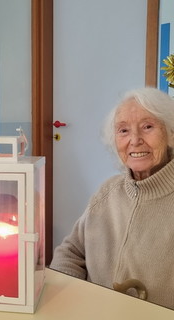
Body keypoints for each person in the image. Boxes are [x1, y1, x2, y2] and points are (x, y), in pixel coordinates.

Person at [50, 87, 174, 309]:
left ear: (171, 133)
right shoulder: (108, 192)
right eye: (123, 130)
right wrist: (65, 299)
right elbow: (71, 251)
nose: (135, 140)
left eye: (148, 127)